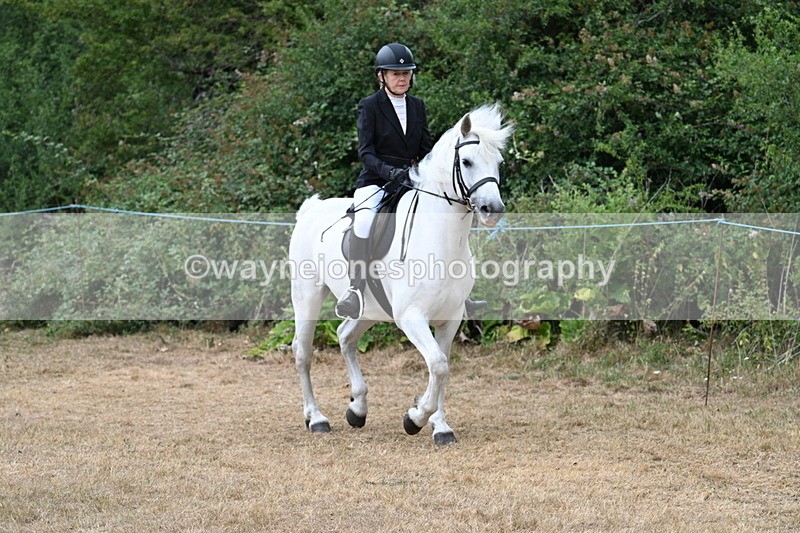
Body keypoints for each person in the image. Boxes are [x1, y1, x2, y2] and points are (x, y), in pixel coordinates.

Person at [335, 43, 486, 320]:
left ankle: (460, 294)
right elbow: (365, 152)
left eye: (406, 73)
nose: (402, 78)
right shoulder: (370, 105)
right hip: (377, 180)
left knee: (448, 217)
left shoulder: (417, 106)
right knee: (365, 220)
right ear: (382, 76)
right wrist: (390, 172)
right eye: (395, 74)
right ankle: (355, 289)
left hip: (412, 180)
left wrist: (427, 172)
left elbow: (425, 148)